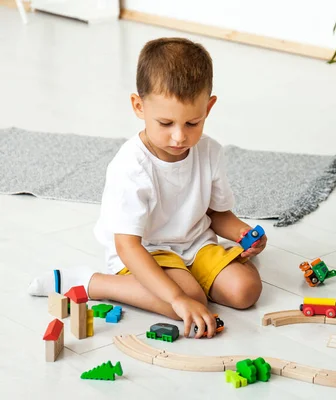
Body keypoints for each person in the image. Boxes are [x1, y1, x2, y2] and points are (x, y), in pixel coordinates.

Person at [28, 37, 266, 339]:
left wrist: (244, 235)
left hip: (195, 244)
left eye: (193, 123)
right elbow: (128, 246)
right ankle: (93, 282)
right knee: (191, 298)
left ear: (209, 107)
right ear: (138, 106)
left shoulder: (210, 152)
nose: (180, 137)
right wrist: (177, 298)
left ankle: (190, 279)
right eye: (165, 123)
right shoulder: (131, 166)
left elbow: (218, 214)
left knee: (246, 290)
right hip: (145, 251)